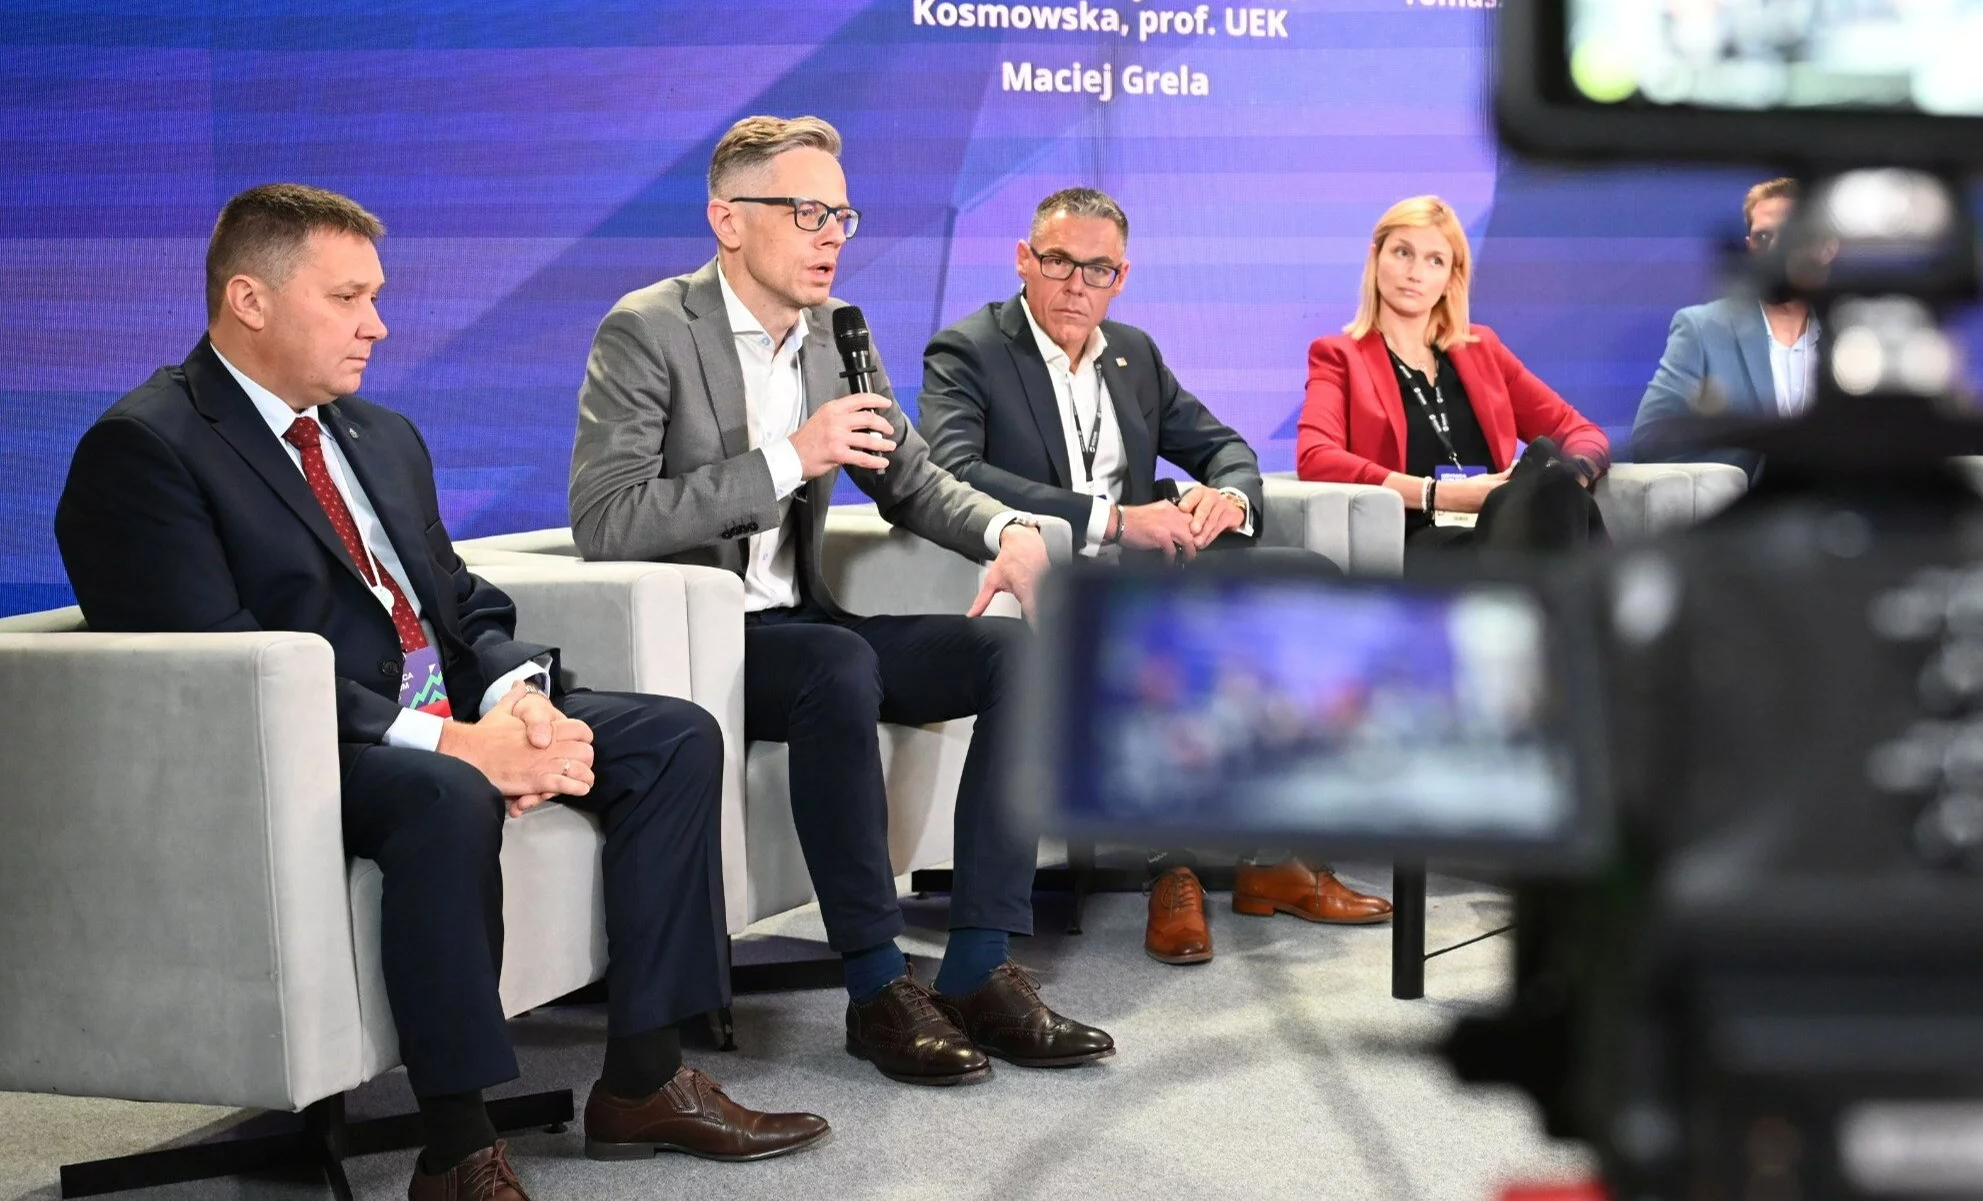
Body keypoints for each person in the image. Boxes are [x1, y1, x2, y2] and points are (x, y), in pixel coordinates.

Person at [54, 184, 828, 1201]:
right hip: (290, 748)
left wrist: (519, 700)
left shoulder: (378, 434)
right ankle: (457, 1149)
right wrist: (454, 747)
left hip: (431, 716)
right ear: (249, 299)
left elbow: (461, 605)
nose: (378, 323)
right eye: (348, 297)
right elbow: (217, 666)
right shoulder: (148, 447)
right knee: (445, 794)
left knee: (673, 738)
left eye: (376, 297)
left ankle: (643, 1080)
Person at [568, 116, 1111, 1087]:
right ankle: (872, 987)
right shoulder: (649, 327)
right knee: (836, 661)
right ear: (726, 220)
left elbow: (910, 478)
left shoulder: (835, 332)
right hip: (700, 641)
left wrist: (1008, 534)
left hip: (806, 624)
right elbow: (605, 518)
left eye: (842, 214)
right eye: (807, 211)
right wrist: (789, 457)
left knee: (1016, 652)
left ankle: (979, 966)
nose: (831, 234)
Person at [919, 185, 1383, 967]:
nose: (1075, 284)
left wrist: (1225, 500)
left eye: (1097, 270)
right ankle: (1175, 868)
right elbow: (955, 469)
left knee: (1306, 580)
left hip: (1150, 570)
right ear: (1024, 259)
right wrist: (1113, 518)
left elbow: (1225, 445)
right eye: (1059, 261)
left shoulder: (1132, 354)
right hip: (1055, 577)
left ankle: (1269, 854)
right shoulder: (969, 350)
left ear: (1121, 277)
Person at [1298, 194, 1611, 558]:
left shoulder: (1482, 350)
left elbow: (1583, 433)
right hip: (1424, 538)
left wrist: (1573, 475)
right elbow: (1316, 456)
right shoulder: (1339, 356)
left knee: (1554, 481)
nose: (1415, 272)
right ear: (1375, 257)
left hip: (1507, 527)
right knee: (1549, 509)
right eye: (1402, 252)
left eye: (1435, 261)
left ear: (1451, 278)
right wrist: (1438, 493)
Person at [1630, 177, 1816, 470]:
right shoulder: (1703, 329)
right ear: (1749, 248)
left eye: (1790, 237)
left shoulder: (1855, 335)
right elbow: (1650, 440)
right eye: (1764, 238)